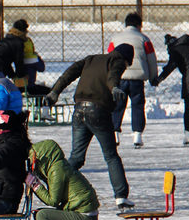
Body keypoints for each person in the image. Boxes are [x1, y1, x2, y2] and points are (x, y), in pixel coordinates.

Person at [43, 43, 135, 210]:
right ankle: (121, 196)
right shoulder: (118, 61)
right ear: (126, 59)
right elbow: (112, 76)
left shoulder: (91, 59)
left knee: (76, 157)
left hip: (79, 111)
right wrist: (114, 87)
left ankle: (57, 191)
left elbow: (69, 73)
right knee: (111, 156)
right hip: (98, 112)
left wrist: (54, 92)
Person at [26, 139, 99, 220]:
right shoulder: (58, 166)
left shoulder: (57, 170)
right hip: (83, 213)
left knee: (42, 215)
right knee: (39, 213)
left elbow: (53, 200)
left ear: (43, 158)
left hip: (84, 217)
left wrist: (34, 184)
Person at [108, 13, 158, 148]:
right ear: (138, 25)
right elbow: (151, 60)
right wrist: (153, 77)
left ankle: (115, 133)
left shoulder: (115, 38)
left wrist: (109, 77)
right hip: (137, 79)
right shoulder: (144, 39)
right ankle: (137, 135)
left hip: (120, 77)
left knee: (117, 105)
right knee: (137, 105)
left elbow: (109, 58)